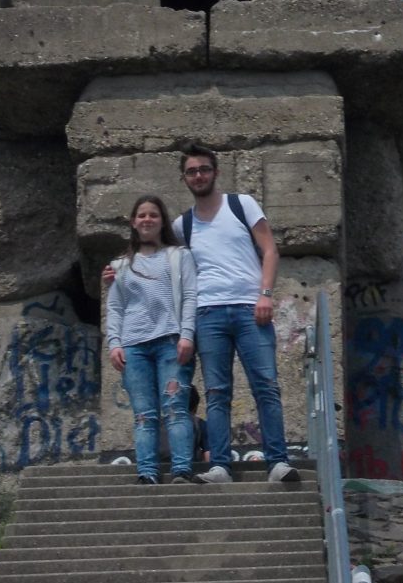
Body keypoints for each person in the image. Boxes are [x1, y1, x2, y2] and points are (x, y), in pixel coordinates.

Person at [173, 143, 299, 485]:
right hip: (208, 313)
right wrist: (119, 272)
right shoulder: (183, 225)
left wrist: (265, 294)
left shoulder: (241, 204)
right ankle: (220, 466)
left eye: (204, 169)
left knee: (266, 386)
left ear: (215, 172)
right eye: (191, 171)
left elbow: (270, 250)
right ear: (184, 178)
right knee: (216, 393)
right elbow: (162, 263)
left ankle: (277, 461)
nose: (198, 176)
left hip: (250, 308)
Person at [104, 194, 198, 485]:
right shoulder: (120, 265)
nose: (147, 220)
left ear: (162, 221)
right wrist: (114, 343)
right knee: (144, 415)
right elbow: (115, 307)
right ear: (133, 222)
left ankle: (181, 469)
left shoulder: (179, 255)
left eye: (153, 215)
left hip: (170, 341)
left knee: (176, 408)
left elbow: (190, 296)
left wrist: (187, 335)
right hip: (134, 346)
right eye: (142, 215)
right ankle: (147, 472)